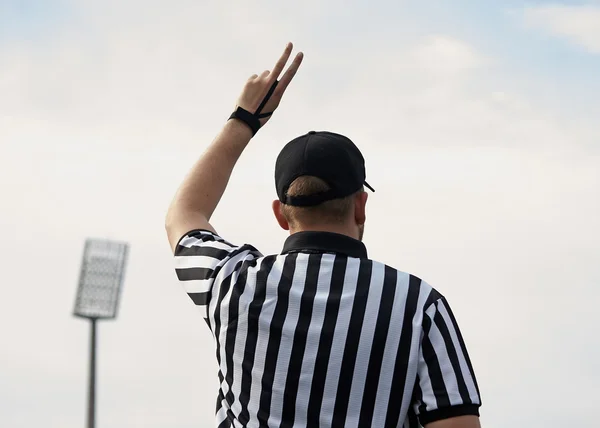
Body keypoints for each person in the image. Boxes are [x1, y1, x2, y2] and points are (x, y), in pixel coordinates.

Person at [166, 43, 482, 428]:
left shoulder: (231, 283)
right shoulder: (419, 306)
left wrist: (244, 119)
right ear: (360, 205)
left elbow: (184, 214)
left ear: (281, 215)